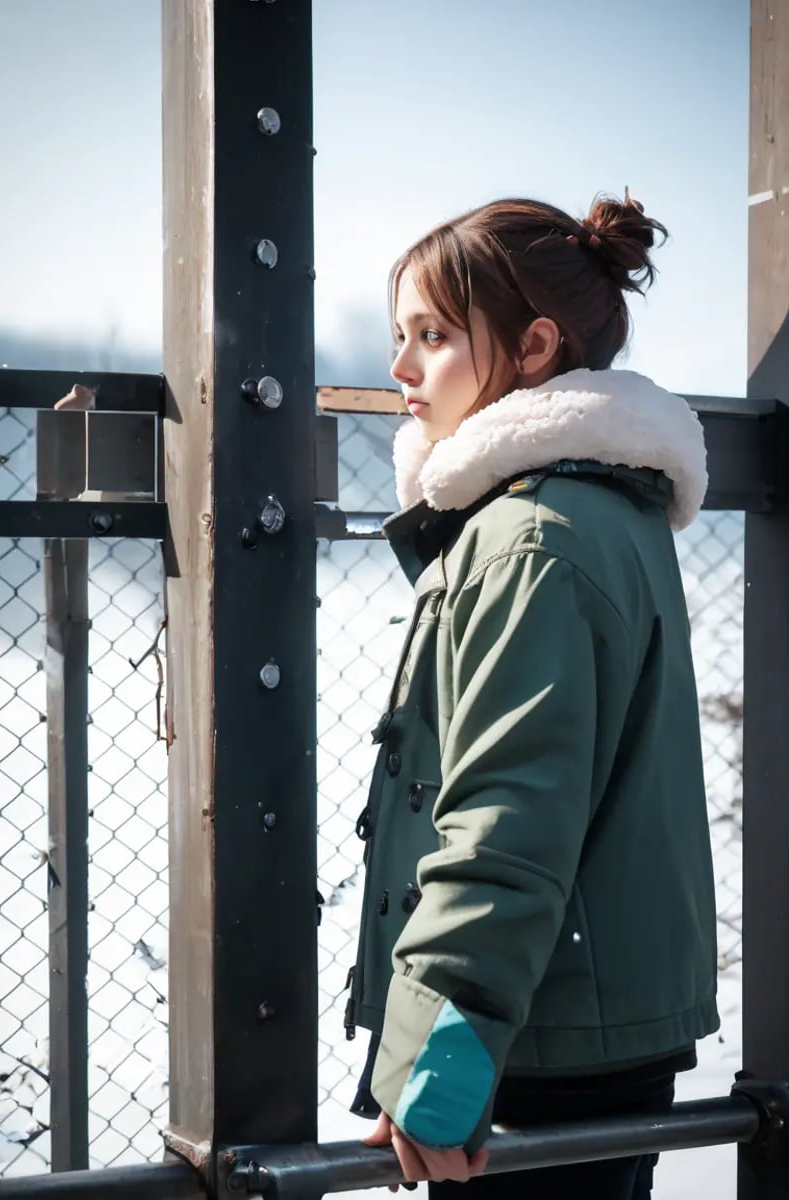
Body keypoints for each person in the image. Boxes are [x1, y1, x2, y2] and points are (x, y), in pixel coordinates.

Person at [343, 193, 719, 1200]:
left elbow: (507, 824)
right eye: (399, 336)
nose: (400, 367)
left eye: (431, 334)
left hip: (538, 1046)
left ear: (533, 347)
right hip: (572, 1022)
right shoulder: (596, 511)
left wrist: (439, 1067)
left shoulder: (532, 542)